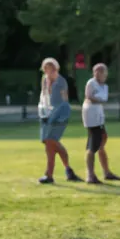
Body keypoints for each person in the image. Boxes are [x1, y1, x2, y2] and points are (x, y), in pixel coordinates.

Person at [37, 56, 79, 184]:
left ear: (56, 68)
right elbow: (44, 98)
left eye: (51, 68)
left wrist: (55, 115)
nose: (49, 71)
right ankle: (67, 170)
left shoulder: (61, 82)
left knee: (51, 141)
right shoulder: (44, 80)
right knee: (49, 144)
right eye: (46, 68)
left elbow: (63, 102)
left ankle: (49, 174)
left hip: (60, 115)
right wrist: (43, 112)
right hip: (46, 115)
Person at [82, 62, 120, 184]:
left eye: (102, 72)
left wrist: (99, 100)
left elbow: (102, 99)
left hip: (99, 116)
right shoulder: (91, 83)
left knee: (102, 139)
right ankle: (90, 175)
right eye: (97, 71)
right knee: (93, 144)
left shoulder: (104, 86)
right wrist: (99, 100)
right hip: (91, 116)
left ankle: (106, 172)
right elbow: (88, 96)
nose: (100, 74)